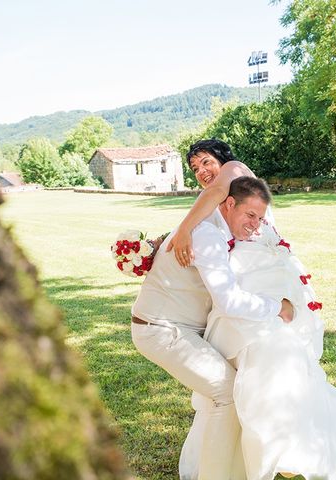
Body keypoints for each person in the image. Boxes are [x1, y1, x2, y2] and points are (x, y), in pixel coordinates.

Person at [172, 139, 336, 479]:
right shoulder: (217, 199)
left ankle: (284, 448)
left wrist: (183, 228)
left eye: (206, 162)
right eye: (195, 169)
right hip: (245, 282)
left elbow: (213, 198)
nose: (202, 172)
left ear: (223, 159)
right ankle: (245, 451)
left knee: (271, 351)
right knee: (246, 361)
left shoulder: (234, 171)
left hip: (263, 280)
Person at [131, 175, 295, 479]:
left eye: (259, 218)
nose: (255, 224)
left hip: (173, 327)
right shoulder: (208, 236)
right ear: (229, 203)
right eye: (249, 215)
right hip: (162, 330)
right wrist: (277, 307)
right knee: (228, 392)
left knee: (229, 388)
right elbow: (229, 301)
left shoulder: (210, 227)